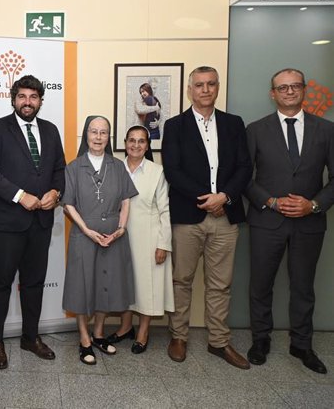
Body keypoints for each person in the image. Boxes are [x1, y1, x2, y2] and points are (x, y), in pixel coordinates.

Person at [161, 66, 252, 369]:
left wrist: (224, 197)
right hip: (188, 216)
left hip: (226, 216)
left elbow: (244, 167)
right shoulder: (175, 126)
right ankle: (178, 336)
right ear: (190, 90)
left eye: (211, 84)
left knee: (220, 284)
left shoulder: (234, 124)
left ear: (217, 87)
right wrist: (206, 198)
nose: (205, 89)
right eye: (199, 85)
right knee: (181, 280)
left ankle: (219, 342)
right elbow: (173, 171)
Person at [244, 68, 334, 375]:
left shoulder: (326, 130)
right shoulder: (256, 130)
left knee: (303, 286)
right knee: (260, 285)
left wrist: (314, 204)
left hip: (309, 223)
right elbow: (245, 177)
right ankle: (260, 340)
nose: (289, 91)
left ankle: (302, 345)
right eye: (283, 88)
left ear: (304, 90)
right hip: (267, 220)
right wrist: (270, 201)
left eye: (295, 86)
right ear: (273, 94)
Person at [0, 74, 66, 369]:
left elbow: (58, 170)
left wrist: (56, 192)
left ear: (41, 100)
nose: (28, 102)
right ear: (13, 99)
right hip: (5, 223)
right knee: (1, 284)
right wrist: (20, 196)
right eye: (22, 97)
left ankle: (30, 338)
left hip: (40, 222)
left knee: (34, 284)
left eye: (33, 97)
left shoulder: (51, 131)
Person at [61, 116, 137, 365]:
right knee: (82, 287)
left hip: (112, 238)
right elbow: (68, 204)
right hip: (85, 237)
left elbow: (126, 200)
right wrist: (86, 229)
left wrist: (121, 228)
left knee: (107, 285)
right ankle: (84, 339)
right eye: (93, 132)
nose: (98, 137)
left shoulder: (117, 167)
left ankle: (99, 334)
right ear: (86, 135)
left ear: (109, 137)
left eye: (103, 132)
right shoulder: (74, 167)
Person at [108, 125, 173, 353]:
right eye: (132, 140)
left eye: (141, 141)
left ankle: (143, 331)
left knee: (147, 287)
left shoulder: (157, 172)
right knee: (125, 285)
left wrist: (163, 244)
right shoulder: (114, 169)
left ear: (148, 145)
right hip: (120, 237)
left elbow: (165, 211)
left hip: (149, 238)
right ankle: (126, 327)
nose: (136, 145)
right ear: (125, 143)